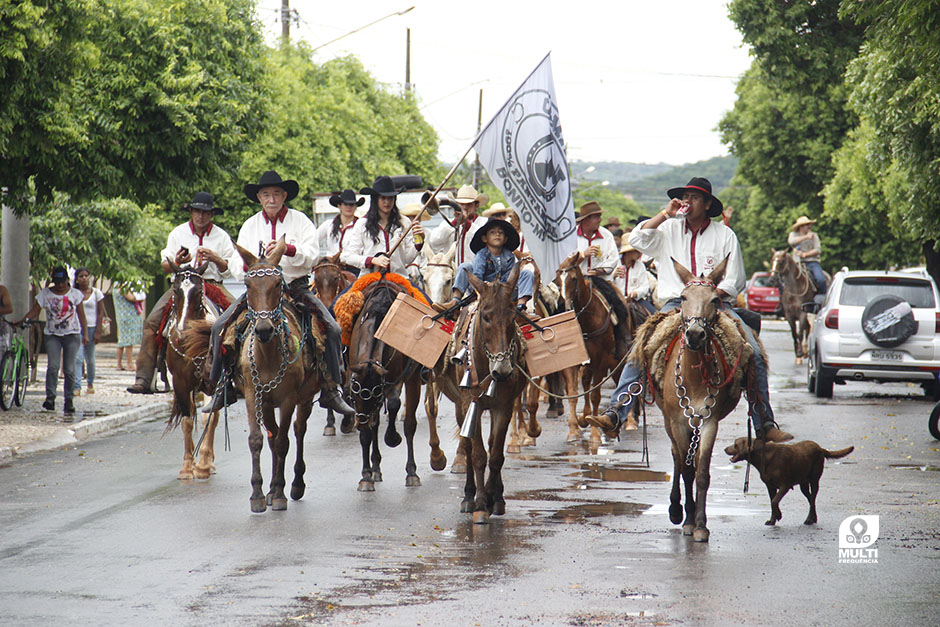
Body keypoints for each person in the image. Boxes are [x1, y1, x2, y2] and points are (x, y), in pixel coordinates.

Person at [586, 177, 792, 443]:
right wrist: (663, 214)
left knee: (753, 352)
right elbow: (637, 238)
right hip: (676, 304)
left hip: (717, 305)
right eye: (685, 196)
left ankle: (764, 422)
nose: (687, 201)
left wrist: (707, 295)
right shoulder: (668, 229)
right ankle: (616, 411)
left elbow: (736, 278)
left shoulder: (724, 235)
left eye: (694, 197)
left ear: (707, 204)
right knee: (642, 345)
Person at [202, 170, 353, 417]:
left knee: (333, 329)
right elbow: (240, 268)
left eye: (275, 194)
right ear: (259, 198)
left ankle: (332, 388)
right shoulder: (250, 226)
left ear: (284, 196)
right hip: (259, 294)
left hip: (295, 288)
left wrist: (288, 249)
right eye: (266, 195)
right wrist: (255, 265)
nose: (271, 199)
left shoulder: (300, 220)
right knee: (220, 326)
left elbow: (312, 255)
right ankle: (222, 386)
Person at [127, 192, 236, 393]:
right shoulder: (178, 233)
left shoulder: (221, 236)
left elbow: (229, 268)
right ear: (191, 212)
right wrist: (177, 262)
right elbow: (165, 266)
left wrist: (215, 258)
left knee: (239, 318)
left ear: (211, 215)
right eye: (197, 212)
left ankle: (236, 378)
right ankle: (144, 378)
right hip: (182, 284)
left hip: (211, 284)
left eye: (205, 213)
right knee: (152, 323)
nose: (201, 216)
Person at [15, 266, 87, 416]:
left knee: (69, 369)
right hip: (52, 334)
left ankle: (69, 400)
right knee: (53, 366)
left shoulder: (75, 294)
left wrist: (85, 333)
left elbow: (81, 315)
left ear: (67, 280)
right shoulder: (45, 294)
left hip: (72, 335)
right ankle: (50, 398)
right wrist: (24, 320)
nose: (60, 285)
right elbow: (36, 310)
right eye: (57, 282)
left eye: (62, 282)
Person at [432, 218, 534, 312]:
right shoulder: (481, 254)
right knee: (465, 266)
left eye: (501, 233)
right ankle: (455, 301)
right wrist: (481, 291)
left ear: (505, 239)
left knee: (526, 273)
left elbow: (509, 277)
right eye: (493, 232)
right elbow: (477, 274)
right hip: (482, 289)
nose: (497, 234)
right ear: (485, 238)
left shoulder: (509, 256)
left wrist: (501, 288)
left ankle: (521, 308)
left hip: (504, 291)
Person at [340, 176, 426, 276]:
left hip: (398, 277)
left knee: (421, 292)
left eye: (390, 198)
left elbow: (408, 258)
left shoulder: (404, 222)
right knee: (347, 292)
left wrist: (419, 242)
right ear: (375, 199)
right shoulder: (362, 223)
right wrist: (372, 260)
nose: (387, 202)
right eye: (383, 198)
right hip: (370, 278)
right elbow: (347, 256)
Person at [427, 184, 489, 267]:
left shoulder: (484, 222)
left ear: (476, 206)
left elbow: (481, 240)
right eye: (461, 204)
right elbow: (434, 242)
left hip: (476, 272)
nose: (465, 207)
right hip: (451, 274)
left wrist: (467, 223)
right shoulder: (447, 222)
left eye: (469, 204)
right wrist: (456, 222)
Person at [72, 268, 105, 395]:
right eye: (81, 276)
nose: (84, 278)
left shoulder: (97, 293)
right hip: (77, 328)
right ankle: (77, 386)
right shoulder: (74, 293)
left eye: (86, 275)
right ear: (77, 279)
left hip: (92, 328)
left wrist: (98, 331)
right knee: (78, 358)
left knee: (90, 359)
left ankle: (90, 383)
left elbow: (100, 312)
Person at [318, 188, 364, 272]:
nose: (349, 207)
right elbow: (312, 240)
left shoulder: (361, 226)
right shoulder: (329, 224)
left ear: (355, 207)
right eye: (346, 204)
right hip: (330, 268)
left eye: (352, 204)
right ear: (339, 206)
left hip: (353, 267)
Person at [574, 202, 619, 282]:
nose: (600, 220)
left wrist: (599, 271)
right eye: (596, 217)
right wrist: (583, 255)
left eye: (600, 216)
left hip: (600, 280)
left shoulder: (607, 235)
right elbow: (565, 261)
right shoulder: (572, 236)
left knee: (615, 294)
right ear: (586, 219)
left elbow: (614, 258)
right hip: (576, 281)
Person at [787, 215, 827, 297]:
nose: (809, 226)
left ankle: (823, 297)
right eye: (807, 225)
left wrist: (804, 254)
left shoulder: (814, 235)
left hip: (812, 263)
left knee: (821, 279)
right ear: (801, 227)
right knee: (785, 280)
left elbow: (818, 250)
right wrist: (805, 237)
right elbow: (791, 242)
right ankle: (783, 300)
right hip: (797, 264)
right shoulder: (793, 234)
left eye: (809, 224)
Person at [613, 243, 656, 314]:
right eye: (637, 251)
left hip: (636, 300)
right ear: (628, 252)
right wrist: (614, 276)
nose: (640, 254)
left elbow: (645, 286)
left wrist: (636, 293)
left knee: (655, 315)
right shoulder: (615, 263)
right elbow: (607, 283)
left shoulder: (640, 266)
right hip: (617, 299)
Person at [114, 283, 145, 371]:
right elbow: (131, 297)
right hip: (127, 316)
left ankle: (119, 364)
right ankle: (129, 363)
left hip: (122, 315)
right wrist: (141, 296)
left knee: (121, 340)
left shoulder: (116, 285)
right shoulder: (122, 286)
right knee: (128, 340)